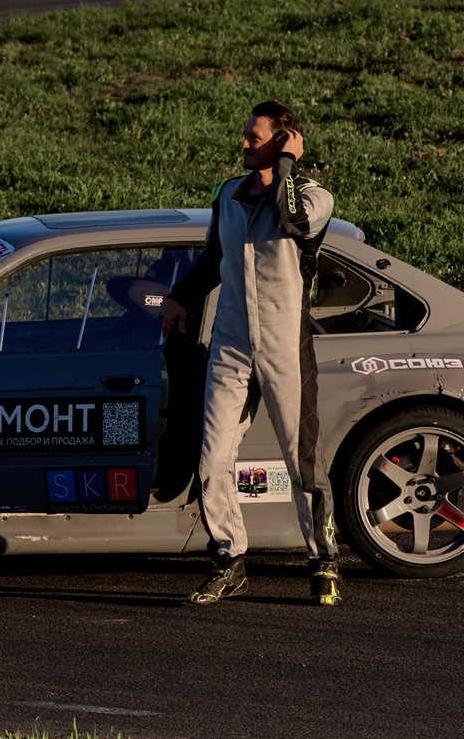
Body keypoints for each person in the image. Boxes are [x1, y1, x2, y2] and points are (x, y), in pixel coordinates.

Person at [162, 100, 339, 606]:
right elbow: (214, 258)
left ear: (284, 142)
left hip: (286, 348)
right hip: (232, 344)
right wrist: (180, 297)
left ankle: (323, 562)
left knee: (302, 461)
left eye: (254, 137)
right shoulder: (227, 194)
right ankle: (228, 559)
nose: (242, 143)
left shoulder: (314, 197)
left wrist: (286, 163)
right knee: (213, 458)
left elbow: (288, 218)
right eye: (244, 135)